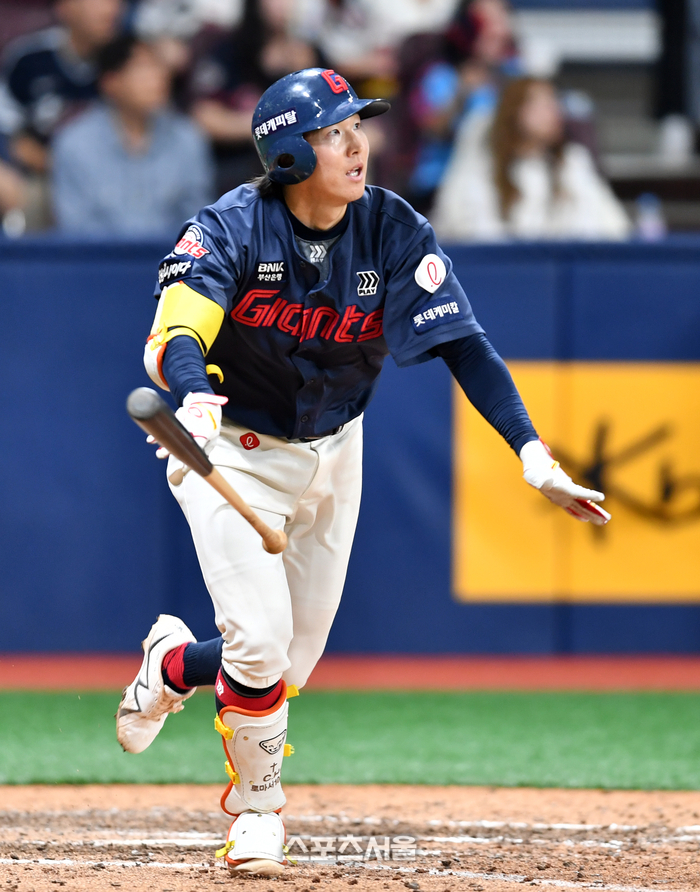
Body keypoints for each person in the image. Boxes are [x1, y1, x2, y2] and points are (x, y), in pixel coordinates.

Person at [116, 67, 610, 877]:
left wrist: (531, 452)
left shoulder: (392, 227)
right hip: (228, 448)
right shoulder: (231, 227)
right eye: (333, 133)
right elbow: (178, 328)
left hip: (336, 448)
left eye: (358, 128)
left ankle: (171, 665)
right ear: (287, 157)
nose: (357, 146)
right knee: (259, 644)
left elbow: (465, 346)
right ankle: (259, 814)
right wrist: (194, 394)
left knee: (288, 664)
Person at [432, 77, 631, 241]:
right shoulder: (482, 165)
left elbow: (612, 225)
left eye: (555, 103)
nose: (555, 112)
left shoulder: (573, 163)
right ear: (515, 111)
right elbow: (465, 228)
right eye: (543, 104)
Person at [52, 34, 212, 236]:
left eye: (159, 66)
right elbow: (76, 230)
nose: (158, 77)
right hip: (99, 255)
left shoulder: (188, 138)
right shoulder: (74, 145)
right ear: (110, 82)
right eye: (143, 68)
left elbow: (199, 224)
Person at [0, 0, 123, 230]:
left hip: (117, 175)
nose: (110, 9)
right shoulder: (30, 59)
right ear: (65, 7)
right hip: (43, 174)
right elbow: (6, 129)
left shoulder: (130, 56)